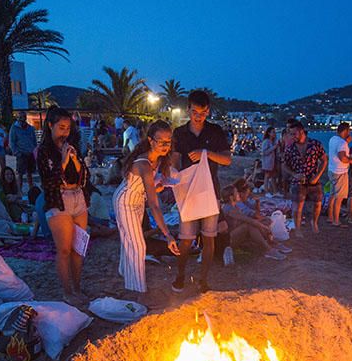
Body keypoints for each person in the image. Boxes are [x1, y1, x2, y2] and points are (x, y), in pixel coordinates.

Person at [170, 90, 232, 293]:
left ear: (208, 111)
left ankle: (203, 280)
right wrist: (170, 179)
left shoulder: (215, 131)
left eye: (203, 112)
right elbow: (175, 161)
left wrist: (206, 153)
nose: (199, 116)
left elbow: (227, 159)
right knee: (186, 238)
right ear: (188, 109)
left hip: (209, 191)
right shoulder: (179, 133)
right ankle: (180, 275)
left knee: (208, 237)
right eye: (195, 112)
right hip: (187, 192)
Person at [113, 120, 181, 297]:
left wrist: (160, 185)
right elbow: (154, 204)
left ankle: (125, 272)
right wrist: (167, 234)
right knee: (137, 245)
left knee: (130, 239)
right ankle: (137, 289)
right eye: (161, 141)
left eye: (169, 141)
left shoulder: (158, 159)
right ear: (151, 141)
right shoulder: (143, 163)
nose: (165, 145)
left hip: (137, 200)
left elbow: (150, 187)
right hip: (125, 201)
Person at [37, 106, 91, 304]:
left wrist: (76, 163)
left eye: (68, 128)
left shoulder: (72, 146)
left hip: (78, 198)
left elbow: (85, 177)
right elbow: (49, 181)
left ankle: (77, 288)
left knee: (78, 249)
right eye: (61, 128)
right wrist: (62, 160)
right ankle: (67, 292)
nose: (65, 133)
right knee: (65, 250)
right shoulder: (43, 151)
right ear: (50, 126)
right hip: (58, 201)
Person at [283, 120, 327, 237]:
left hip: (313, 179)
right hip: (298, 181)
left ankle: (314, 222)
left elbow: (324, 160)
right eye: (291, 134)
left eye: (294, 134)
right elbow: (284, 165)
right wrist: (294, 174)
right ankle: (298, 229)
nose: (292, 136)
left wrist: (317, 176)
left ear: (301, 131)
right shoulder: (290, 148)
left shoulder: (315, 144)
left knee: (318, 203)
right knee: (298, 206)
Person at [221, 186, 288, 261]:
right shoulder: (229, 208)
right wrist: (264, 227)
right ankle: (268, 249)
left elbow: (251, 218)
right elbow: (248, 220)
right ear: (231, 197)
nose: (238, 194)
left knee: (259, 223)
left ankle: (271, 243)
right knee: (250, 225)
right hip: (229, 240)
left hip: (237, 235)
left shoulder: (235, 206)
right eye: (236, 193)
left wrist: (262, 223)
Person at [326, 122, 352, 227]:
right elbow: (342, 158)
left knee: (332, 195)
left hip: (332, 170)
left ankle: (330, 217)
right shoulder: (342, 143)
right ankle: (336, 221)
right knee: (339, 197)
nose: (350, 132)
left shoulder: (333, 139)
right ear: (346, 131)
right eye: (349, 130)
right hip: (340, 172)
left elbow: (337, 151)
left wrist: (345, 142)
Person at [8, 111, 37, 191]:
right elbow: (12, 142)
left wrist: (34, 151)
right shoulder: (14, 128)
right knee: (20, 173)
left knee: (30, 173)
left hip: (30, 153)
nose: (21, 119)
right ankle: (19, 190)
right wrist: (16, 152)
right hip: (21, 153)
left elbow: (34, 141)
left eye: (23, 117)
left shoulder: (30, 128)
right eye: (19, 117)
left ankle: (31, 190)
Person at [260, 127, 277, 194]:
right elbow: (264, 152)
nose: (274, 134)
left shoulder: (272, 141)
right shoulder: (266, 141)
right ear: (269, 133)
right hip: (267, 162)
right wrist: (273, 148)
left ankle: (274, 191)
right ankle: (266, 191)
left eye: (274, 132)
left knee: (272, 176)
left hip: (271, 162)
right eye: (273, 132)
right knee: (267, 176)